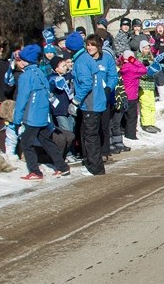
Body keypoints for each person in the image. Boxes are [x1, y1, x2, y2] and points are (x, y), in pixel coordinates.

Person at [11, 44, 71, 180]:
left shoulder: (26, 76)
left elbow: (22, 99)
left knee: (26, 143)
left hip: (32, 116)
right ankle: (62, 167)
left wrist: (17, 119)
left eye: (21, 59)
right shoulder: (41, 73)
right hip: (43, 114)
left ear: (26, 60)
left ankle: (35, 171)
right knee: (46, 141)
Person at [66, 31, 107, 176]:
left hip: (91, 103)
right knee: (89, 134)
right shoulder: (86, 58)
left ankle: (95, 167)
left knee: (90, 136)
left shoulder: (81, 61)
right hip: (95, 102)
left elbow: (86, 84)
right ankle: (92, 163)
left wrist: (76, 101)